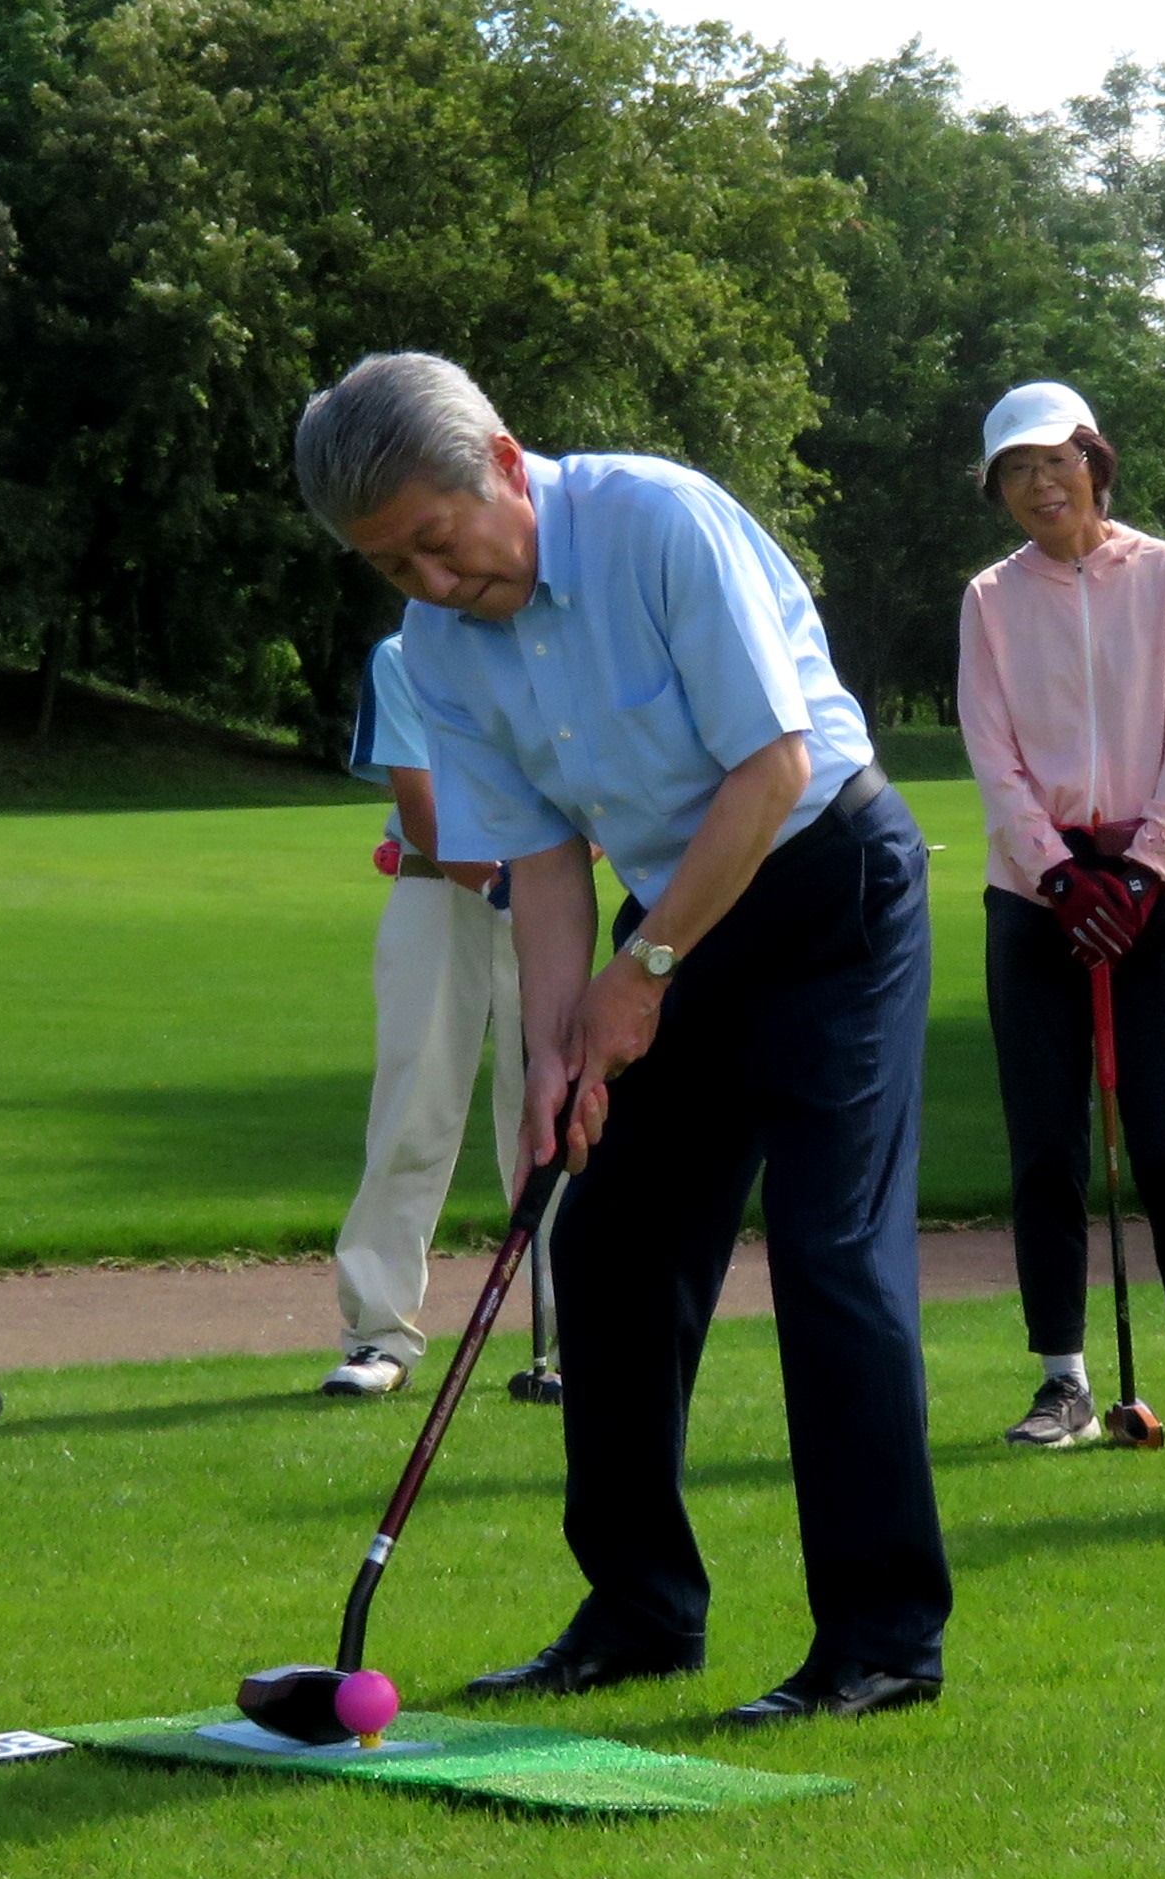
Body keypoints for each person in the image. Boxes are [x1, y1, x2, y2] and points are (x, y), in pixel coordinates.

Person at [294, 353, 947, 1723]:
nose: (427, 580)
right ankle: (643, 1608)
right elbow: (536, 857)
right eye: (389, 564)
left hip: (828, 879)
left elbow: (770, 767)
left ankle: (881, 1640)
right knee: (606, 1241)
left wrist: (640, 972)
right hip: (676, 907)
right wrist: (551, 1054)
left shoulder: (659, 520)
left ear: (507, 463)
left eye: (437, 537)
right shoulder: (438, 652)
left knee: (831, 1254)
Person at [958, 379, 1165, 1446]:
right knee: (1045, 1148)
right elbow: (993, 755)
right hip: (1035, 903)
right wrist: (1057, 874)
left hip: (1153, 896)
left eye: (1056, 460)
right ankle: (1063, 1381)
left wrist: (1142, 873)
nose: (1040, 483)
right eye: (1016, 470)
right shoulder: (991, 597)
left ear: (1095, 461)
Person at [320, 622, 562, 1409]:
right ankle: (380, 1335)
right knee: (414, 1110)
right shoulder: (401, 655)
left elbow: (586, 792)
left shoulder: (554, 648)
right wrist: (503, 889)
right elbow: (421, 811)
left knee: (551, 1114)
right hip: (439, 890)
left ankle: (573, 1330)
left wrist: (550, 880)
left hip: (547, 892)